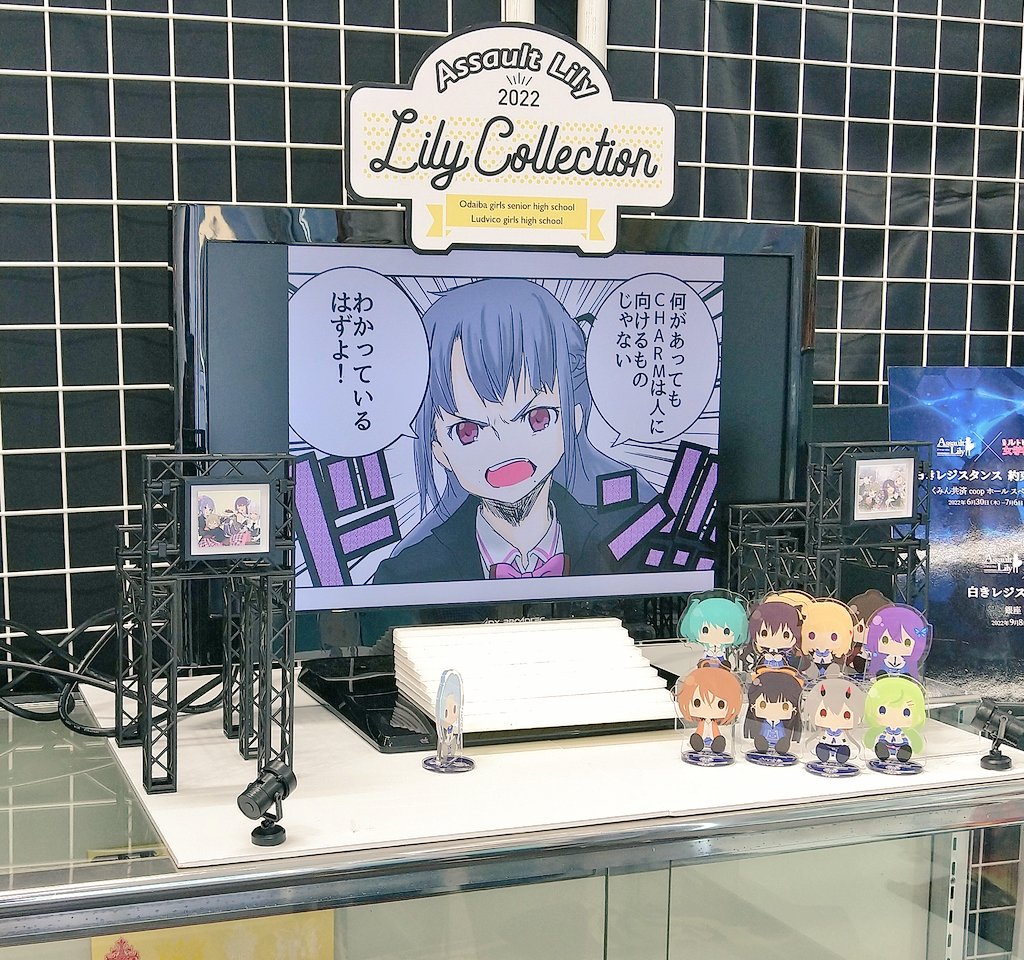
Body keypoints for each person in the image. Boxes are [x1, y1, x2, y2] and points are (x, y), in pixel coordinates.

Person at [374, 279, 652, 584]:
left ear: (573, 420)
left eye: (536, 418)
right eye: (468, 431)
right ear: (438, 449)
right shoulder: (405, 574)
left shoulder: (631, 540)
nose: (503, 446)